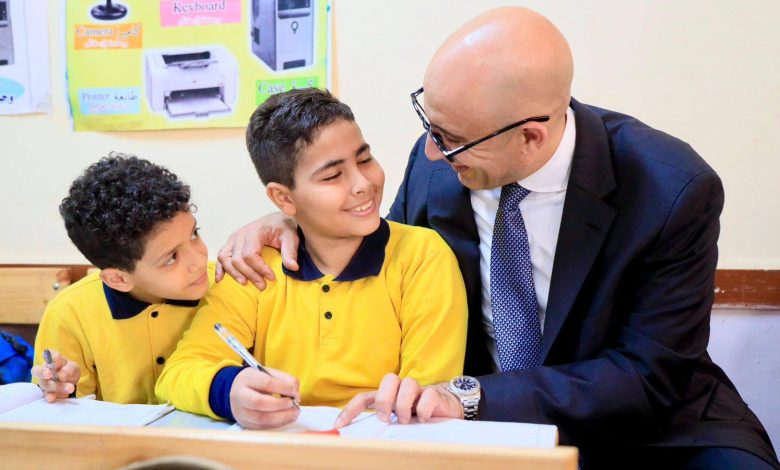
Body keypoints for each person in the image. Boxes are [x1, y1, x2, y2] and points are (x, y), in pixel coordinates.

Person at [215, 7, 779, 469]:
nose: (432, 151)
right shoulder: (438, 163)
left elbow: (648, 373)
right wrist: (290, 221)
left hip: (646, 421)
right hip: (469, 422)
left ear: (531, 137)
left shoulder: (671, 188)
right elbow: (385, 250)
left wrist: (467, 397)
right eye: (428, 124)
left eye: (451, 139)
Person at [155, 88, 467, 430]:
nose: (362, 183)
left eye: (364, 159)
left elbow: (429, 393)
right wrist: (229, 391)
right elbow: (179, 373)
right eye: (332, 176)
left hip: (388, 440)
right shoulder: (255, 264)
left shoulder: (423, 257)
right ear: (283, 199)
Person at [32, 153, 212, 404]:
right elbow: (55, 406)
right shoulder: (69, 312)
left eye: (194, 234)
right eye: (171, 258)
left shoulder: (228, 284)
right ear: (118, 279)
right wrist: (64, 391)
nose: (199, 261)